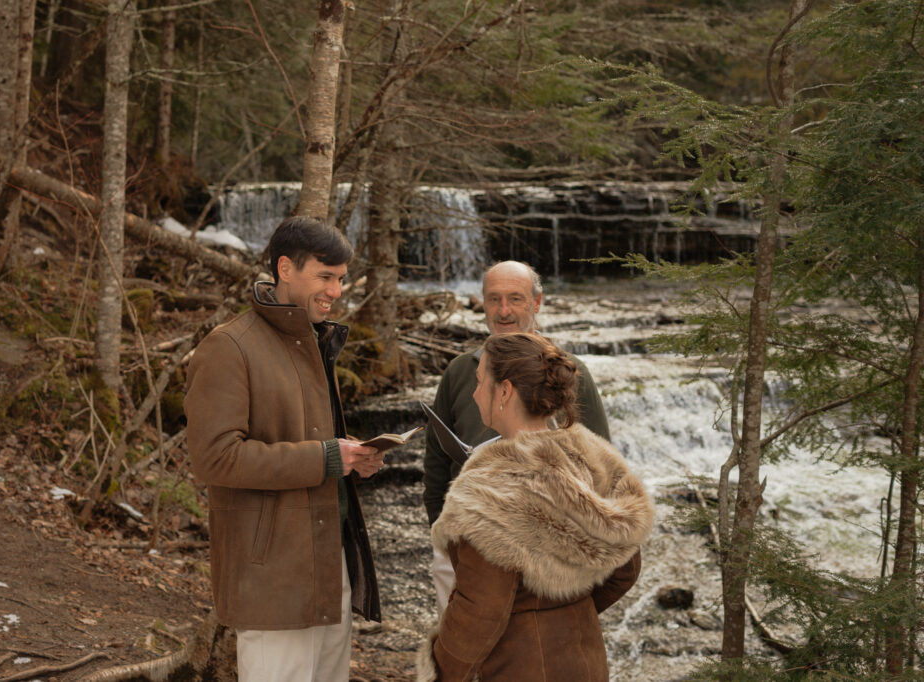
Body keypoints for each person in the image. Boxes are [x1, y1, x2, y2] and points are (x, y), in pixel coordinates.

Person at [184, 216, 384, 682]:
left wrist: (353, 459)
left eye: (340, 279)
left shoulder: (314, 340)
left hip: (328, 562)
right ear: (285, 268)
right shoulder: (229, 346)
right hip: (270, 573)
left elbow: (312, 441)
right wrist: (328, 457)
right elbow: (215, 458)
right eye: (325, 276)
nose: (335, 290)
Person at [416, 333, 654, 681]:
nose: (474, 393)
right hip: (584, 659)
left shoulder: (489, 489)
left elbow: (481, 609)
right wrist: (567, 608)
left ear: (505, 391)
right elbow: (625, 568)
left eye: (481, 382)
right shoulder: (591, 457)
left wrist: (439, 671)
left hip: (516, 666)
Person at [422, 260, 611, 614]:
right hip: (463, 541)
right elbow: (435, 463)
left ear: (537, 303)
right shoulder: (461, 372)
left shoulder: (570, 373)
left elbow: (602, 467)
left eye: (515, 299)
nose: (504, 311)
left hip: (541, 551)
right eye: (494, 299)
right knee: (462, 646)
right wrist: (444, 534)